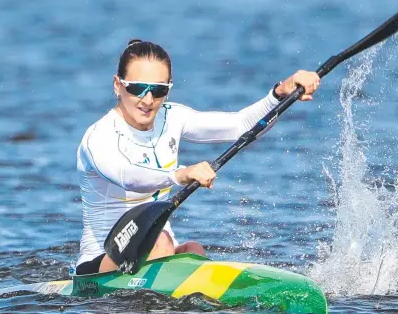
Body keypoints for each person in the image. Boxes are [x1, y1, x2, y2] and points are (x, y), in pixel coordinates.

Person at [72, 39, 321, 275]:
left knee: (193, 250)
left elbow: (241, 125)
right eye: (137, 88)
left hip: (157, 250)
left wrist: (280, 93)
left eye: (158, 91)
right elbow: (127, 176)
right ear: (118, 85)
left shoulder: (173, 118)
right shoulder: (99, 136)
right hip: (99, 265)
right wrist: (180, 174)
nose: (148, 100)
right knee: (162, 243)